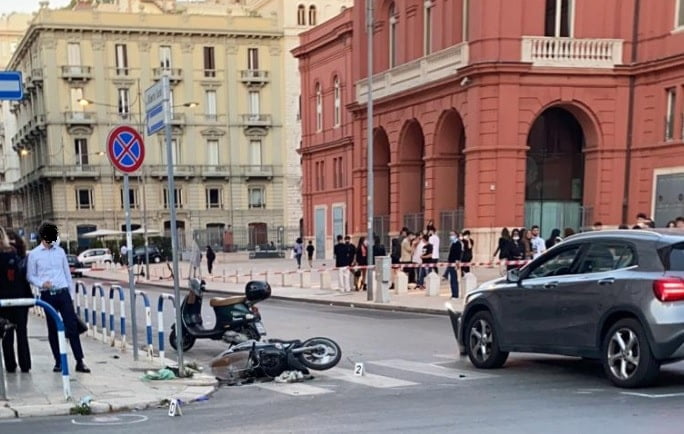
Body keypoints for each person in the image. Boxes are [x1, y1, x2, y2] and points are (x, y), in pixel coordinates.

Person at [27, 222, 90, 373]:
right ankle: (59, 361)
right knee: (53, 328)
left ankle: (79, 360)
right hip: (47, 294)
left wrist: (71, 295)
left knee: (72, 326)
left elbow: (67, 275)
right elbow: (30, 276)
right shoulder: (34, 255)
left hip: (63, 292)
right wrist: (42, 283)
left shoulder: (60, 252)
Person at [0, 227, 32, 373]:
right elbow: (20, 277)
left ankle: (10, 364)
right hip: (19, 298)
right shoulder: (12, 254)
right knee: (22, 332)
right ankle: (25, 364)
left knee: (6, 333)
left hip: (2, 301)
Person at [446, 232, 462, 299]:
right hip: (450, 262)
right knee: (451, 279)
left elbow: (458, 253)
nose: (451, 236)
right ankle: (453, 294)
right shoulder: (452, 243)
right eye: (450, 235)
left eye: (452, 235)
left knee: (454, 279)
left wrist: (457, 262)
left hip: (454, 263)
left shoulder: (458, 243)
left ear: (456, 235)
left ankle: (455, 294)